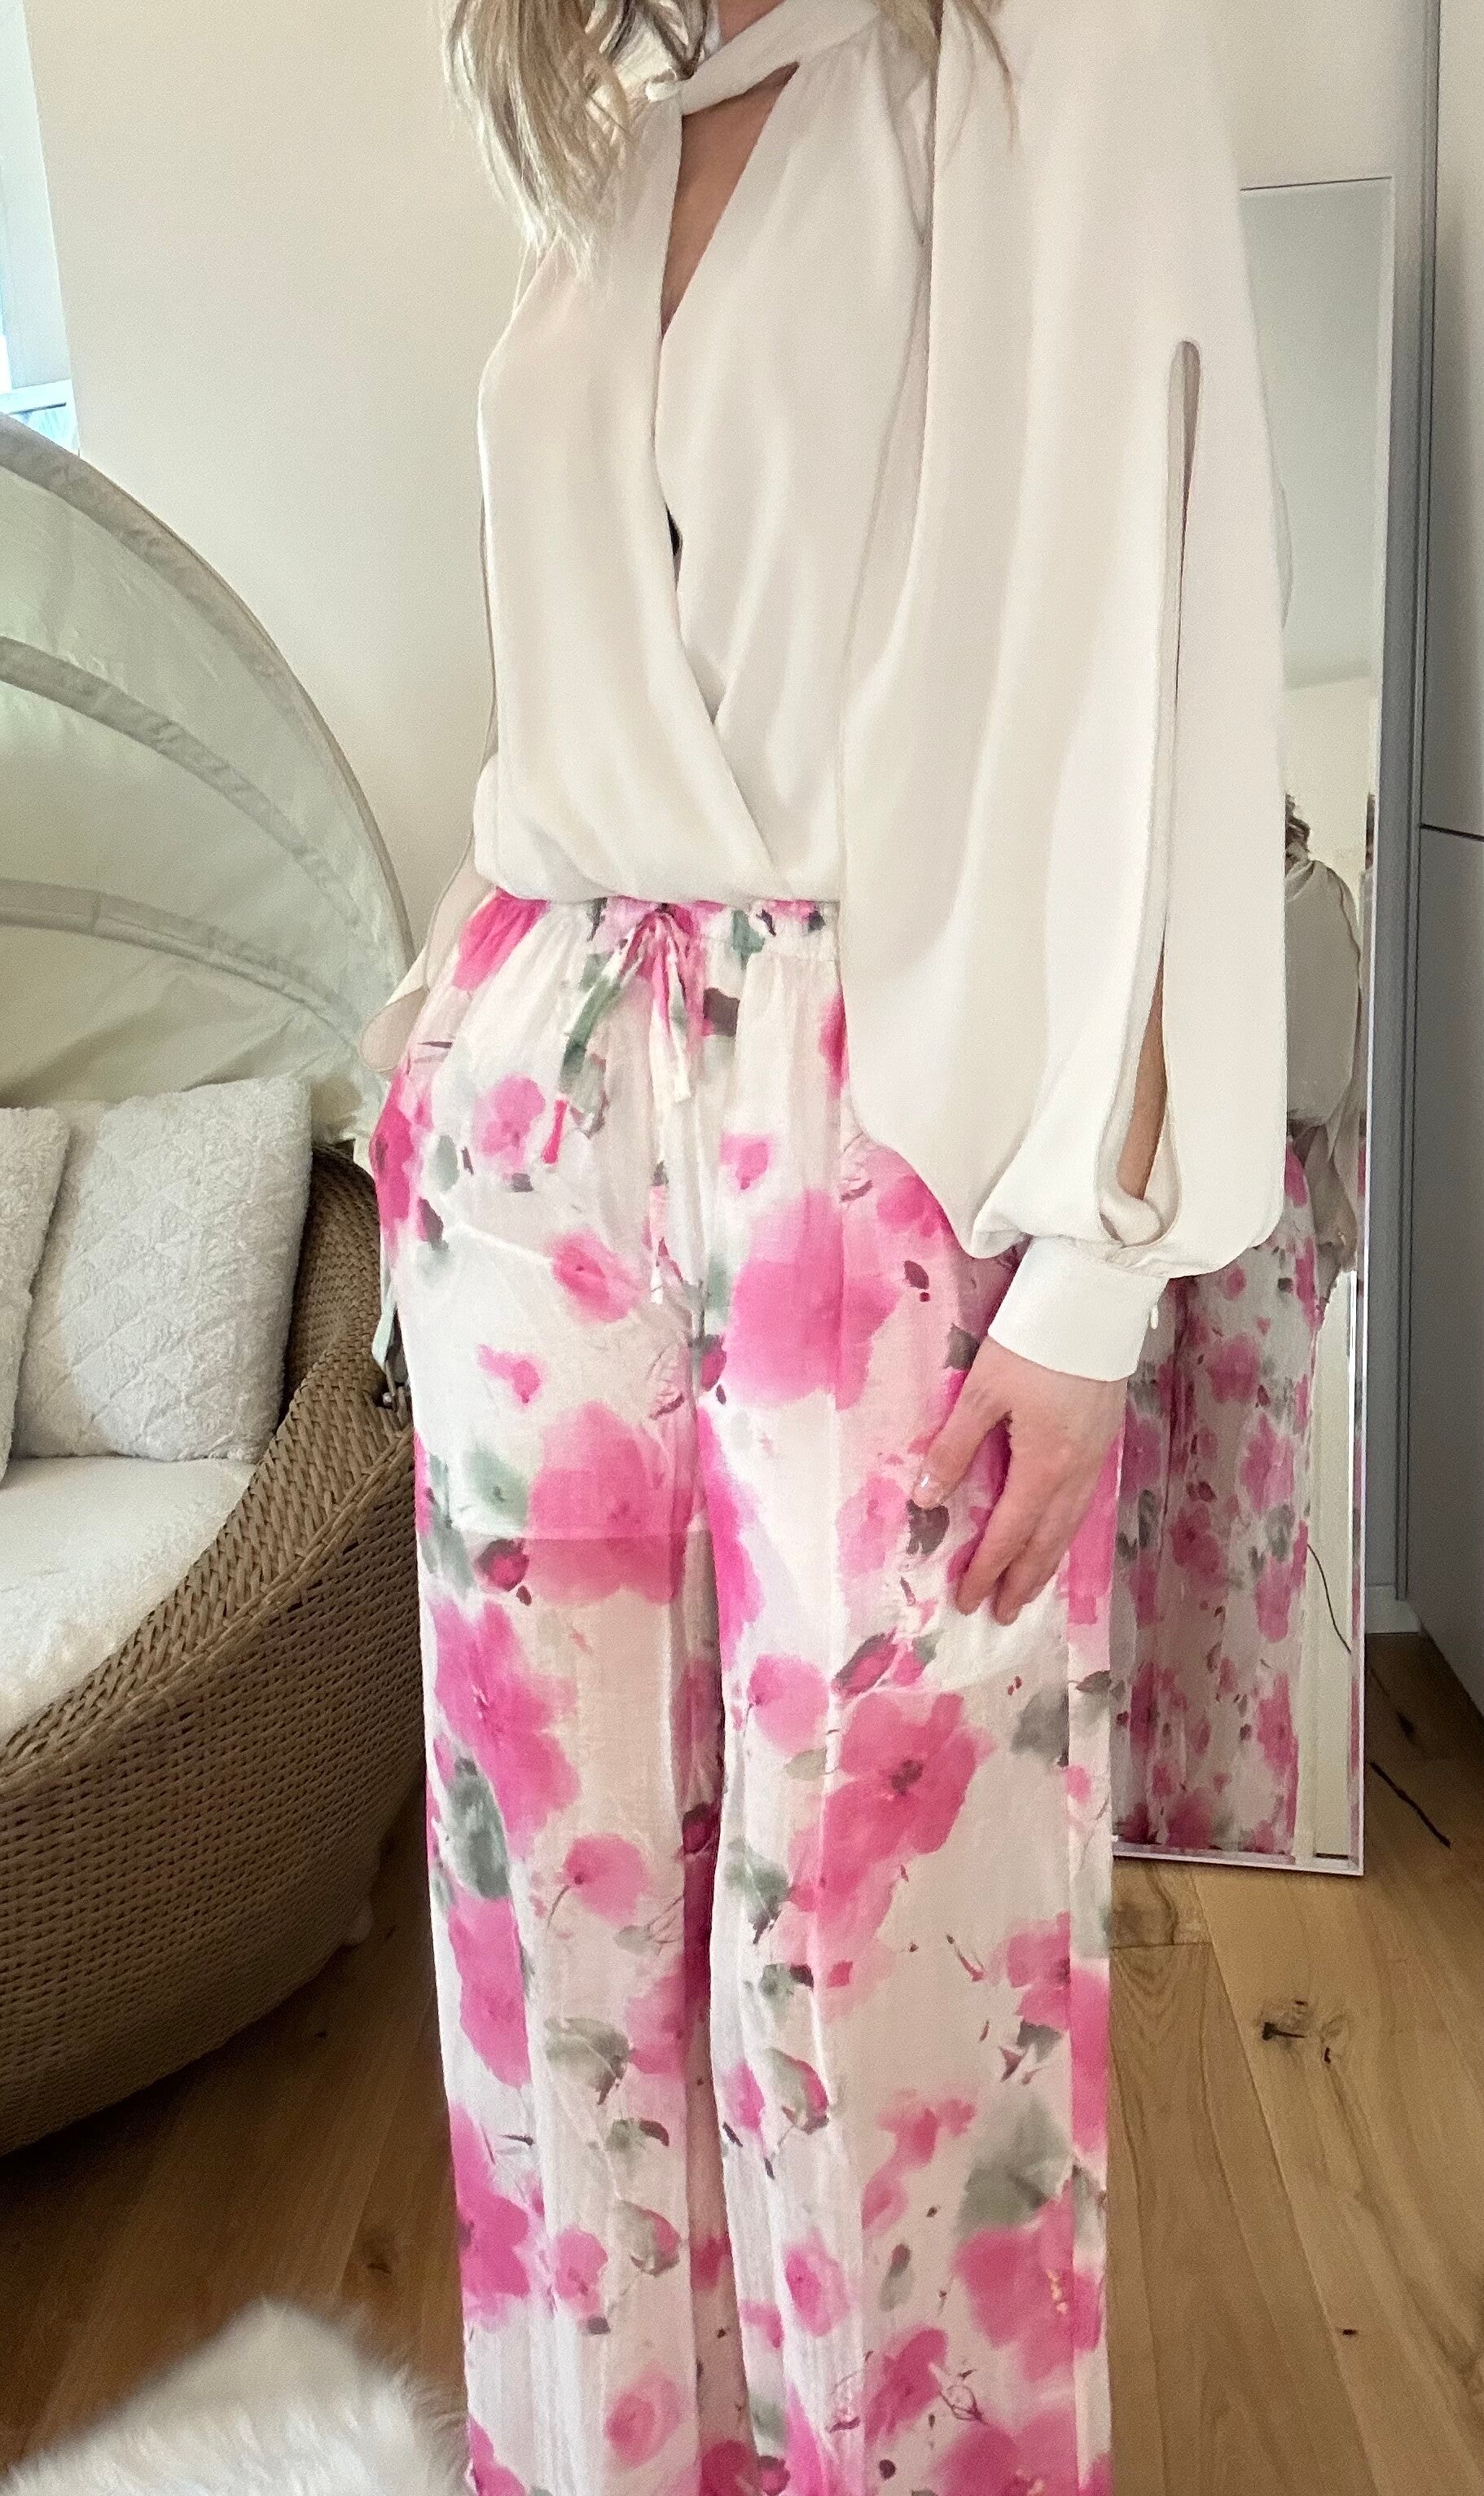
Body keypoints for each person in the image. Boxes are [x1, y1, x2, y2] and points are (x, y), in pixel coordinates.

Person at [362, 0, 1287, 2486]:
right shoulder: (617, 129)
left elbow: (1165, 647)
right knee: (550, 1947)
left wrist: (1099, 1264)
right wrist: (432, 1051)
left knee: (881, 1951)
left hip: (872, 1125)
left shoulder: (1049, 63)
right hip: (532, 1092)